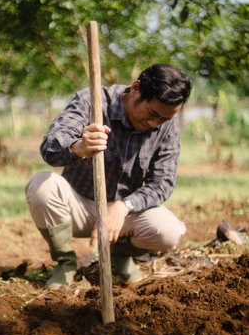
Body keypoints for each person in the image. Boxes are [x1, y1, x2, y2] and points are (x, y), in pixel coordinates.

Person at [25, 63, 192, 289]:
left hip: (123, 216)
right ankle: (65, 262)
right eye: (152, 114)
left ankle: (120, 255)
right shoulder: (92, 101)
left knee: (168, 231)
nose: (155, 124)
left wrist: (124, 206)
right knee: (41, 186)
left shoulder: (166, 125)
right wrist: (78, 147)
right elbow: (50, 147)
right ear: (136, 88)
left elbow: (163, 183)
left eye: (163, 119)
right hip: (78, 205)